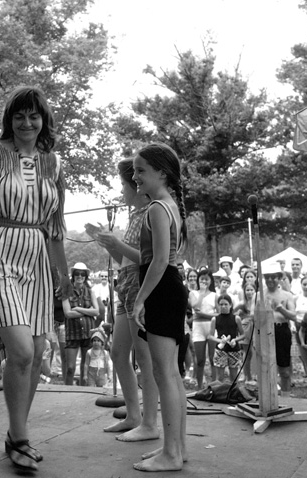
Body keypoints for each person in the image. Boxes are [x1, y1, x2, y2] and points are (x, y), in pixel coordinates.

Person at [0, 86, 71, 472]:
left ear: (44, 120)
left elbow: (55, 227)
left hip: (35, 257)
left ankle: (15, 434)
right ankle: (20, 439)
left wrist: (64, 276)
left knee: (37, 355)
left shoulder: (53, 164)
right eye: (19, 115)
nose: (26, 122)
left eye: (34, 116)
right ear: (9, 119)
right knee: (21, 351)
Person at [131, 143, 188, 472]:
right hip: (169, 288)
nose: (136, 176)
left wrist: (140, 298)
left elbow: (160, 260)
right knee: (172, 374)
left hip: (162, 288)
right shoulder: (171, 206)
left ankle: (171, 453)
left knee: (163, 374)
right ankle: (177, 448)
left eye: (141, 170)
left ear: (162, 173)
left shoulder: (157, 209)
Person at [93, 157, 159, 442]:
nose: (121, 191)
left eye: (123, 184)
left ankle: (150, 423)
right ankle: (133, 415)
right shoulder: (134, 216)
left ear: (135, 185)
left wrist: (116, 243)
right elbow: (123, 259)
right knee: (118, 353)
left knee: (144, 357)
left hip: (140, 289)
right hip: (126, 287)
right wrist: (106, 243)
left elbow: (147, 258)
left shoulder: (150, 213)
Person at [261, 265, 296, 397]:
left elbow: (293, 316)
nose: (270, 280)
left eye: (273, 277)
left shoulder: (286, 295)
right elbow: (253, 317)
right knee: (266, 368)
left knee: (284, 370)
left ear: (279, 278)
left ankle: (286, 397)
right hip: (265, 332)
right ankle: (269, 397)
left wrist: (280, 308)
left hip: (282, 331)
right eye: (267, 277)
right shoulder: (260, 295)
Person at [62, 262, 100, 386]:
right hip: (72, 333)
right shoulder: (66, 292)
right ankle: (67, 392)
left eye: (82, 274)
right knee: (70, 368)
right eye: (77, 273)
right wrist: (88, 311)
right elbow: (67, 313)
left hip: (88, 332)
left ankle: (82, 392)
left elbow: (97, 311)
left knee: (85, 367)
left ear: (85, 276)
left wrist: (78, 310)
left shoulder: (90, 292)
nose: (80, 276)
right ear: (73, 275)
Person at [189, 269, 217, 389]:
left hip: (211, 326)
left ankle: (215, 385)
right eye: (202, 279)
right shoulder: (193, 293)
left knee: (213, 358)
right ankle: (200, 386)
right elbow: (195, 306)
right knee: (200, 359)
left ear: (211, 281)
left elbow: (219, 314)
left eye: (206, 279)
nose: (204, 281)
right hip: (198, 327)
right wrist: (201, 292)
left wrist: (203, 314)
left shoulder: (215, 295)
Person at [208, 295, 244, 383]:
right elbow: (210, 335)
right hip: (221, 350)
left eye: (225, 304)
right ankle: (220, 394)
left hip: (234, 349)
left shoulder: (236, 318)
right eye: (221, 304)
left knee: (234, 377)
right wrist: (220, 340)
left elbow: (243, 334)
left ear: (230, 305)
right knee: (220, 377)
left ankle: (233, 394)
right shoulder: (215, 319)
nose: (223, 306)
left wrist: (235, 340)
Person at [234, 282, 257, 382]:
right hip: (246, 326)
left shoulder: (258, 301)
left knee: (256, 351)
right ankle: (247, 376)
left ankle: (254, 374)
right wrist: (239, 317)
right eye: (247, 290)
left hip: (256, 326)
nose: (249, 292)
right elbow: (232, 312)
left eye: (251, 290)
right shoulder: (242, 303)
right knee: (247, 352)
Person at [294, 275, 307, 378]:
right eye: (304, 284)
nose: (306, 287)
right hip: (299, 327)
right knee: (303, 352)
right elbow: (293, 313)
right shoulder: (296, 298)